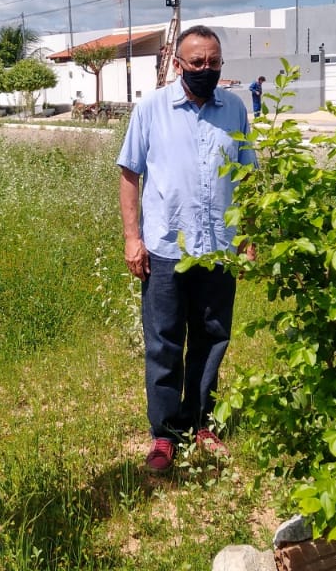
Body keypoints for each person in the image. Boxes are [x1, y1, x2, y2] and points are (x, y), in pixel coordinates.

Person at [117, 25, 256, 472]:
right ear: (178, 64)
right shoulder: (153, 109)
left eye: (214, 62)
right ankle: (164, 434)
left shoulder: (234, 109)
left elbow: (246, 174)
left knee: (212, 338)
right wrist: (132, 239)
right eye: (197, 62)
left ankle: (200, 424)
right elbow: (129, 173)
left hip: (219, 248)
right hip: (164, 248)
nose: (206, 70)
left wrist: (248, 234)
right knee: (163, 342)